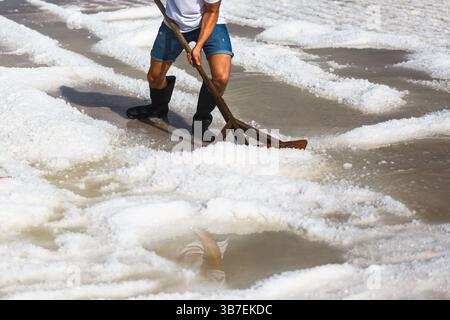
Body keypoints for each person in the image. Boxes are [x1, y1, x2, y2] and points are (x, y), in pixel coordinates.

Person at [126, 0, 233, 138]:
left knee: (221, 78)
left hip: (211, 22)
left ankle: (201, 121)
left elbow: (212, 10)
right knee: (154, 77)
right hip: (174, 23)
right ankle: (158, 108)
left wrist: (198, 46)